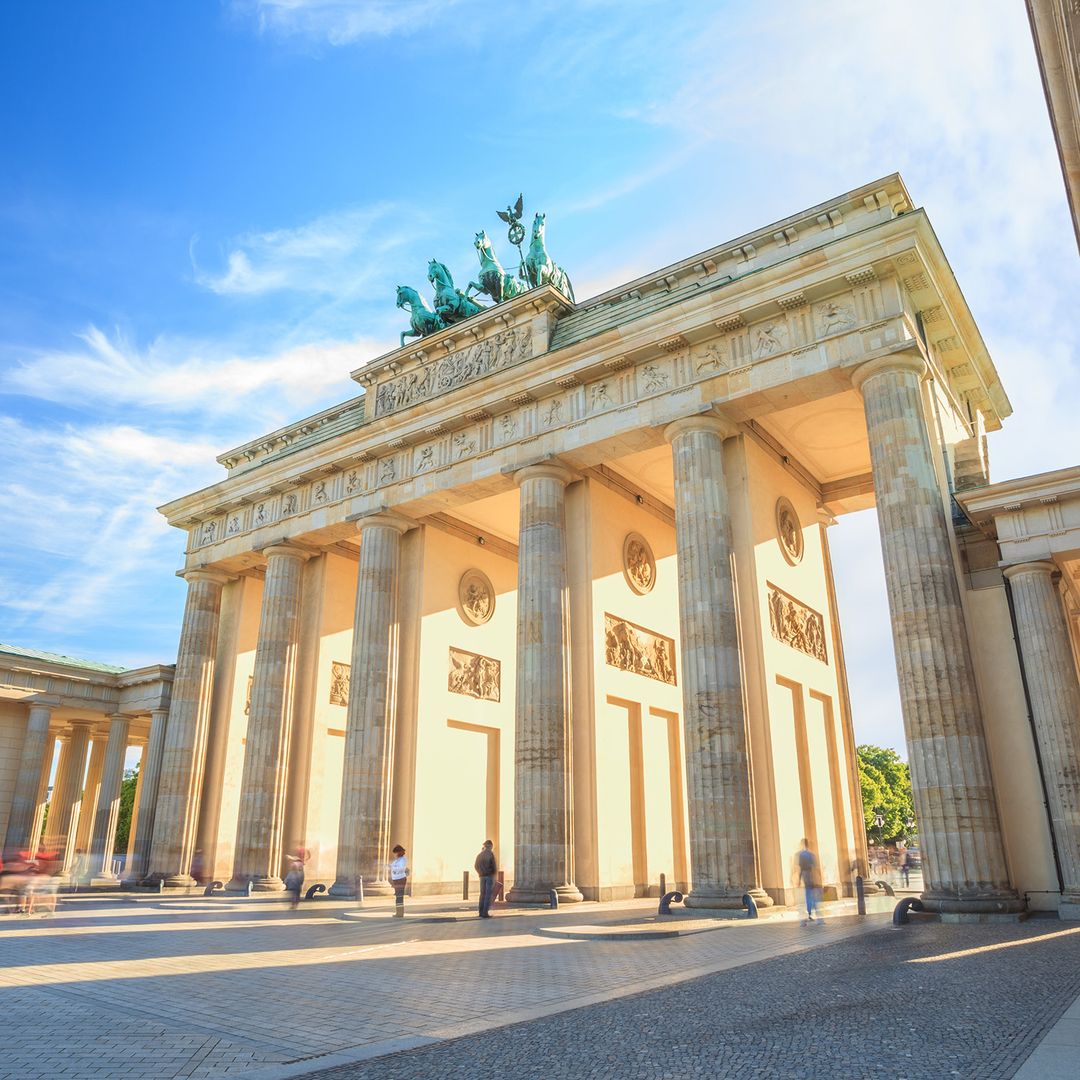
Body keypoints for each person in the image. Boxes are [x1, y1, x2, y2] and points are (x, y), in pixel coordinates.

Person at [796, 838, 821, 926]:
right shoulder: (811, 854)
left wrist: (799, 880)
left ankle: (810, 912)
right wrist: (819, 877)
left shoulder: (801, 855)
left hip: (805, 875)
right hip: (811, 874)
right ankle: (813, 912)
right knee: (813, 894)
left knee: (808, 893)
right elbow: (815, 867)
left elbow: (801, 868)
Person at [474, 840, 496, 918]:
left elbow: (476, 866)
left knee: (482, 894)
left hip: (481, 877)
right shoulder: (490, 854)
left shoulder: (479, 855)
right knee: (488, 895)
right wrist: (493, 874)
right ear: (490, 846)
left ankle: (480, 912)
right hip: (489, 876)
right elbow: (494, 866)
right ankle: (485, 913)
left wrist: (480, 873)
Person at [389, 845, 408, 917]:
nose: (395, 854)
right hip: (397, 880)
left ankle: (400, 913)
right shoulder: (398, 859)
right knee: (398, 897)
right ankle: (399, 913)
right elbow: (393, 866)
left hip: (400, 880)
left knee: (399, 897)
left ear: (399, 852)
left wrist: (393, 868)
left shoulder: (403, 859)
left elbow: (400, 868)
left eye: (396, 853)